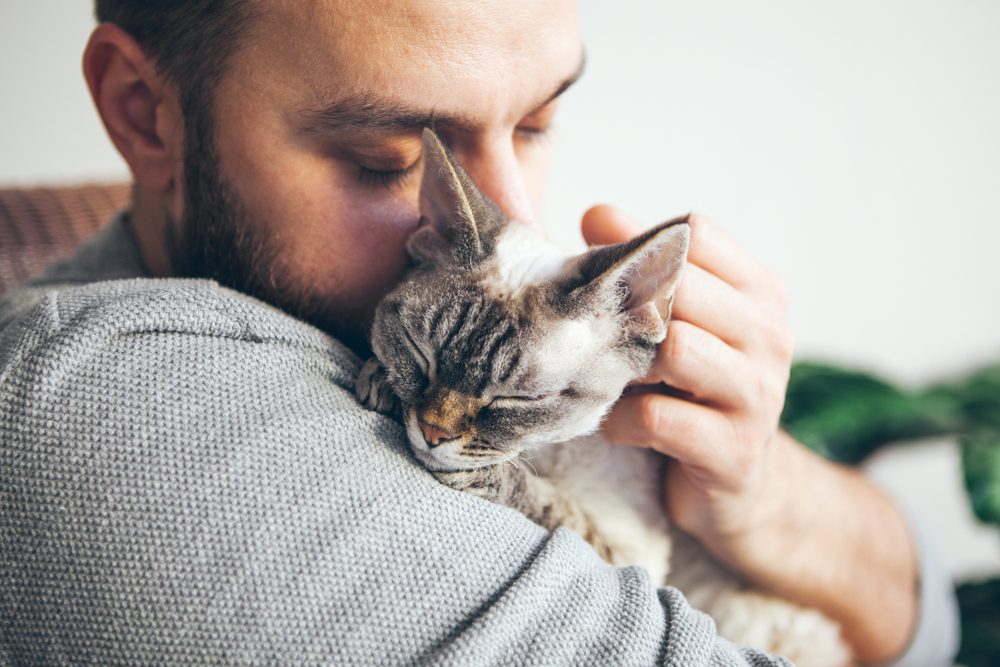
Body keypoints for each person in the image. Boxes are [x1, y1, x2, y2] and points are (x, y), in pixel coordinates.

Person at [0, 1, 958, 665]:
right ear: (143, 111)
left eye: (538, 121)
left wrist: (760, 493)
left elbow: (927, 624)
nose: (509, 216)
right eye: (391, 160)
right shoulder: (114, 412)